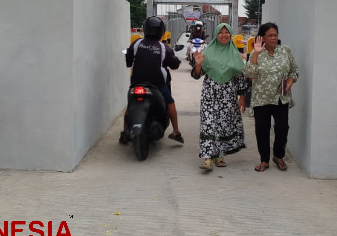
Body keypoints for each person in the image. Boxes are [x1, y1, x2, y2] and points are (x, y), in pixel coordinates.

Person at [191, 23, 249, 170]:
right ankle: (207, 158)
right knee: (208, 123)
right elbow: (197, 75)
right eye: (221, 32)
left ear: (230, 35)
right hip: (210, 94)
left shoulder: (235, 54)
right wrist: (198, 64)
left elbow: (240, 78)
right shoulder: (207, 52)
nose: (224, 35)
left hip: (228, 97)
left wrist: (242, 98)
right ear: (216, 35)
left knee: (223, 125)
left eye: (226, 32)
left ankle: (219, 155)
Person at [243, 22, 299, 172]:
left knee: (282, 128)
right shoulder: (257, 52)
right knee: (262, 130)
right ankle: (264, 160)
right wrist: (255, 53)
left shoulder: (285, 51)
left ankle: (278, 156)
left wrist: (290, 80)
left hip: (281, 96)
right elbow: (248, 73)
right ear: (263, 37)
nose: (273, 38)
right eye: (270, 35)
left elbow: (294, 70)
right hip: (262, 97)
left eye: (275, 35)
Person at [122, 16, 184, 144]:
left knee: (130, 105)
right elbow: (174, 64)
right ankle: (176, 131)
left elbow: (128, 61)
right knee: (170, 102)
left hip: (136, 83)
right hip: (157, 85)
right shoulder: (163, 48)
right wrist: (176, 61)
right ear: (161, 31)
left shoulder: (137, 43)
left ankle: (125, 132)